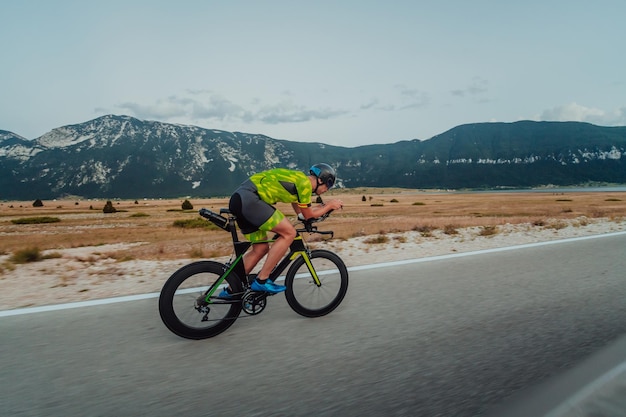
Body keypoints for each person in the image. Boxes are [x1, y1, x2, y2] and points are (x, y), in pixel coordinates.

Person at [220, 163, 343, 297]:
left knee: (260, 249)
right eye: (329, 184)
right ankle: (262, 280)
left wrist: (321, 208)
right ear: (320, 180)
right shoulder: (305, 184)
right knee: (289, 233)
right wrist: (330, 205)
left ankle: (232, 290)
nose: (327, 189)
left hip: (241, 200)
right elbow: (308, 215)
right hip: (250, 199)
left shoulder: (299, 181)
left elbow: (302, 215)